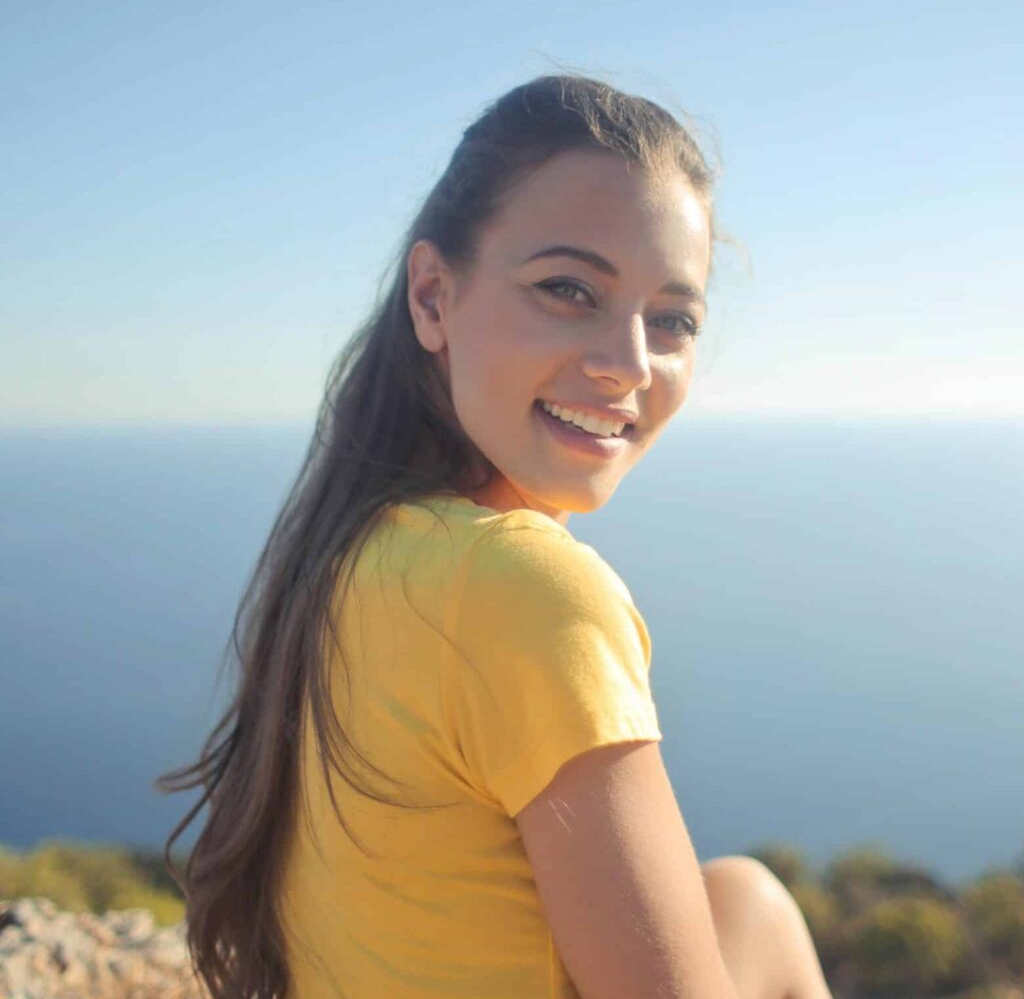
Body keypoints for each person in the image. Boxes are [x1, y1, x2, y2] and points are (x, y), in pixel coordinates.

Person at [157, 73, 834, 999]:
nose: (630, 365)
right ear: (433, 297)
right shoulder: (525, 589)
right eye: (569, 289)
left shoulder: (359, 548)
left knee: (749, 900)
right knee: (760, 908)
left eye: (673, 320)